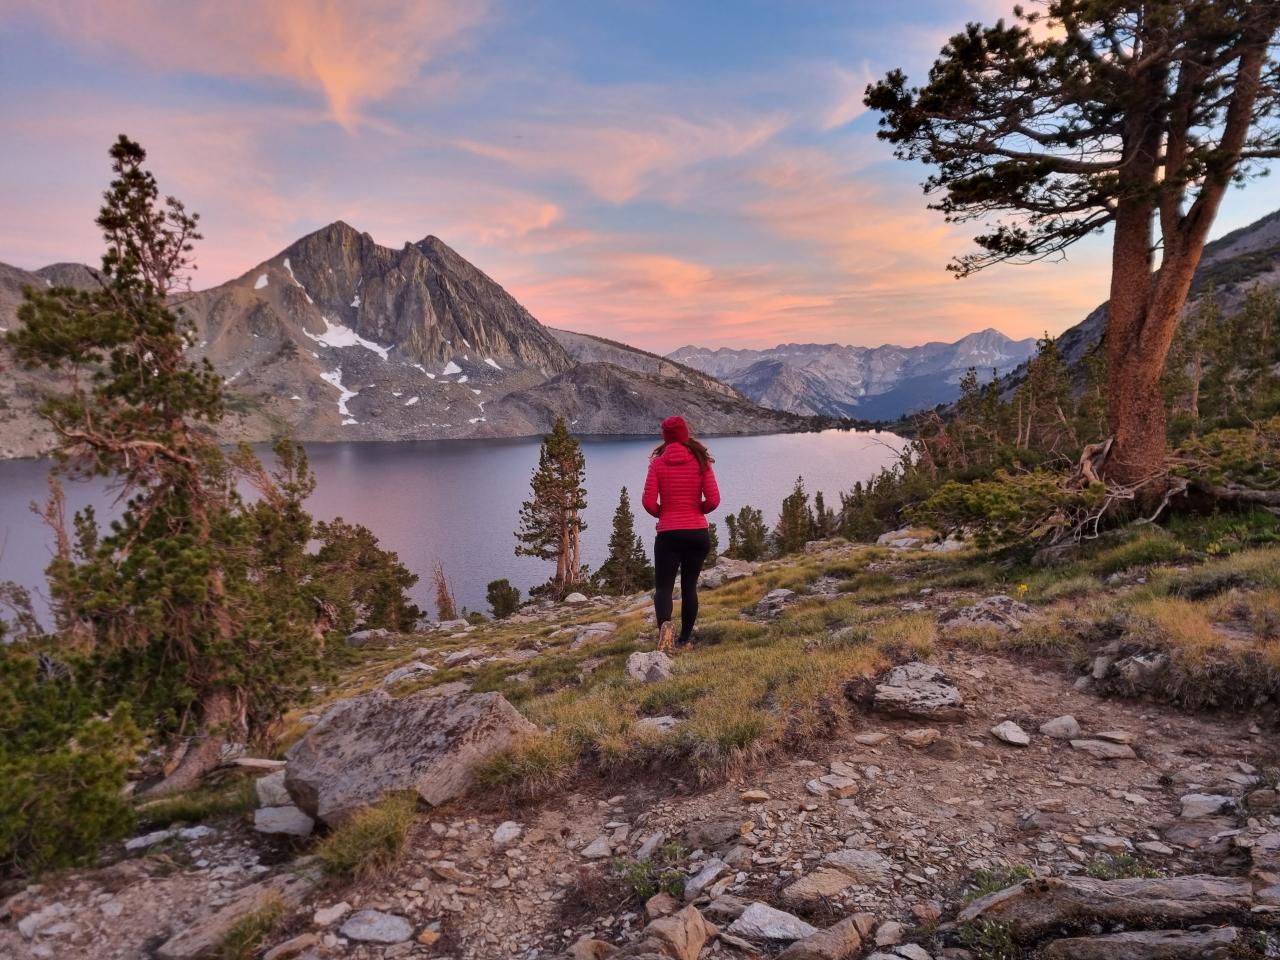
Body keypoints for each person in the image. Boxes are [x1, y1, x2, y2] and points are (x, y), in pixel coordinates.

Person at [641, 415, 720, 654]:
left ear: (665, 437)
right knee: (689, 588)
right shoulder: (701, 460)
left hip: (669, 534)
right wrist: (698, 510)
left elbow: (647, 502)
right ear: (685, 434)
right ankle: (684, 640)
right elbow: (714, 500)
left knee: (663, 589)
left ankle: (665, 639)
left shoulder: (657, 463)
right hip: (697, 533)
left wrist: (663, 514)